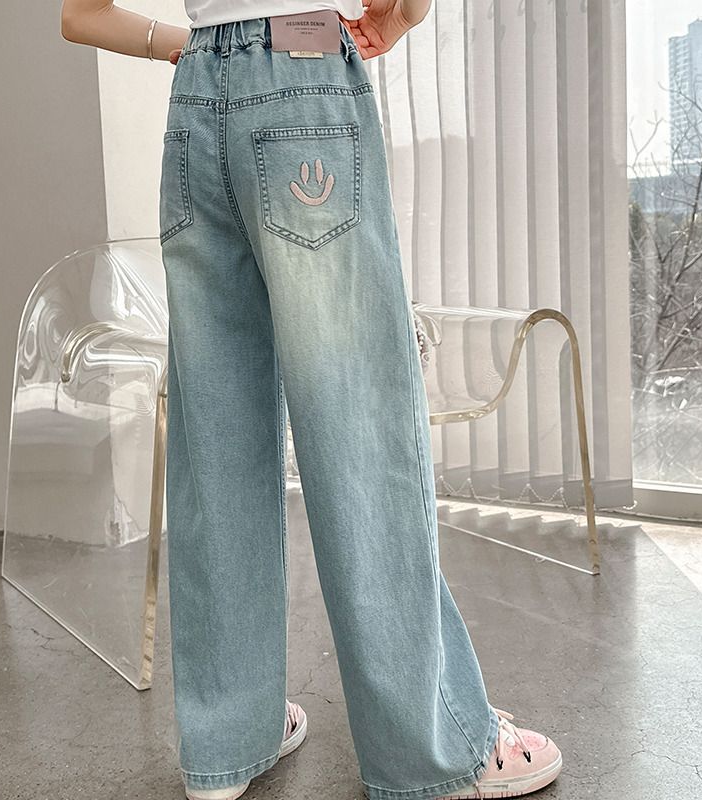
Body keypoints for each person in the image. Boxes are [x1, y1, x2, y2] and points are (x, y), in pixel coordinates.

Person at [59, 2, 563, 798]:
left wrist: (194, 47)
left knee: (216, 432)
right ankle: (434, 752)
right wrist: (401, 16)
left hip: (196, 98)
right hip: (304, 77)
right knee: (358, 424)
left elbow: (79, 14)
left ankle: (227, 742)